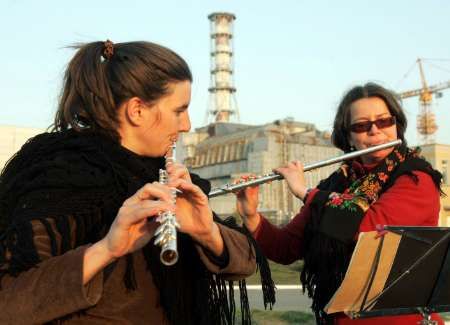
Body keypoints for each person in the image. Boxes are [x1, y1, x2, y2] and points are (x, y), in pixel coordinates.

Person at [0, 40, 273, 324]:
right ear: (137, 110)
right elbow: (8, 303)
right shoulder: (58, 175)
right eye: (179, 110)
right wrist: (106, 249)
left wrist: (206, 231)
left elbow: (247, 262)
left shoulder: (162, 175)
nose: (187, 125)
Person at [236, 82, 444, 325]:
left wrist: (306, 192)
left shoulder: (416, 177)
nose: (375, 131)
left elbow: (368, 229)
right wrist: (251, 215)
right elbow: (286, 247)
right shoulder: (336, 184)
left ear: (396, 125)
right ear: (348, 137)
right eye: (362, 125)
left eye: (384, 121)